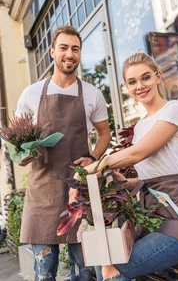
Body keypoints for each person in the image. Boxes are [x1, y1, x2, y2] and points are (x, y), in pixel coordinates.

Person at [72, 52, 178, 281]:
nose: (140, 85)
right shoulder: (140, 127)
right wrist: (128, 182)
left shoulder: (173, 109)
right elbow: (154, 175)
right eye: (132, 82)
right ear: (126, 86)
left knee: (113, 271)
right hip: (152, 218)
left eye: (145, 77)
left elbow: (138, 153)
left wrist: (96, 166)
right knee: (103, 266)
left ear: (158, 77)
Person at [15, 25, 110, 281]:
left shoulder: (92, 94)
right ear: (52, 52)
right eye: (64, 48)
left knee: (85, 271)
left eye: (75, 49)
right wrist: (25, 155)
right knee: (44, 272)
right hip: (42, 191)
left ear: (79, 54)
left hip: (79, 191)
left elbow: (105, 134)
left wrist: (92, 158)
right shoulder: (30, 94)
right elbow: (17, 144)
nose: (70, 54)